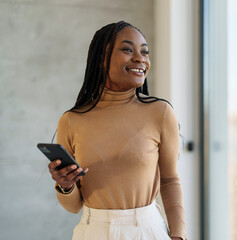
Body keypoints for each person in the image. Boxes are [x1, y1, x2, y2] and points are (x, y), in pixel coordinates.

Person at [47, 21, 186, 240]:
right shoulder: (71, 120)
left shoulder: (161, 113)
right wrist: (65, 186)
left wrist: (178, 235)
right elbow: (74, 206)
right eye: (127, 49)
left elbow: (169, 180)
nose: (140, 58)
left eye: (144, 52)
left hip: (147, 231)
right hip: (93, 231)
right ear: (102, 58)